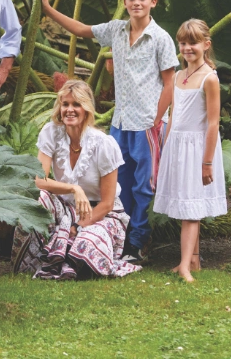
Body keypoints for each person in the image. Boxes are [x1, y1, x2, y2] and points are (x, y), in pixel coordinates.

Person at [36, 0, 177, 264]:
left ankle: (139, 242)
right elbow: (81, 29)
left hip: (147, 123)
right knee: (119, 182)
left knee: (143, 185)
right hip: (121, 122)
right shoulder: (116, 30)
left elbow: (169, 83)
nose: (136, 3)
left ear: (153, 2)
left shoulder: (161, 38)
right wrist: (49, 11)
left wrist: (157, 119)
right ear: (125, 2)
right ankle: (120, 236)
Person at [12, 80, 141, 279]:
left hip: (101, 213)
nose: (69, 110)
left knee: (85, 246)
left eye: (76, 105)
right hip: (66, 208)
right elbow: (38, 180)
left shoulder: (104, 144)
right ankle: (32, 260)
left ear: (87, 109)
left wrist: (77, 227)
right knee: (38, 198)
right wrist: (74, 189)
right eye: (65, 104)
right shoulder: (51, 132)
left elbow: (107, 204)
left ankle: (70, 253)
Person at [152, 19, 227, 283]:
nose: (187, 48)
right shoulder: (178, 76)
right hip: (178, 148)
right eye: (182, 43)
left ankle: (183, 265)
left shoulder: (210, 78)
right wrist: (165, 148)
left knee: (191, 210)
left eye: (193, 43)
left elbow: (213, 122)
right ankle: (193, 260)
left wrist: (207, 162)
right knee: (185, 202)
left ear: (206, 45)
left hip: (198, 150)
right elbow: (173, 115)